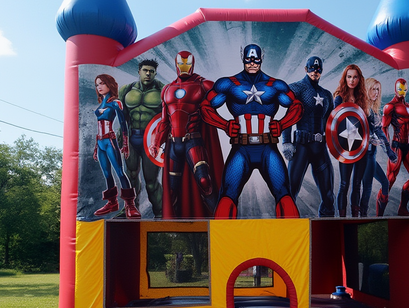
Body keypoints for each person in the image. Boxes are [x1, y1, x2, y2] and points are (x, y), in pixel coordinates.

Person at [200, 44, 303, 218]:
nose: (253, 63)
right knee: (227, 197)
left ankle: (290, 243)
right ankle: (223, 244)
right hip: (241, 149)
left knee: (285, 195)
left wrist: (283, 123)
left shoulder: (275, 85)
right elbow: (205, 107)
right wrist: (224, 124)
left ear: (262, 58)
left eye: (256, 59)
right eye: (249, 59)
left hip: (268, 149)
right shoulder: (229, 84)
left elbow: (297, 107)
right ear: (243, 57)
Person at [149, 51, 223, 218]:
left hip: (193, 141)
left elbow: (220, 100)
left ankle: (220, 219)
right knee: (173, 189)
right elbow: (164, 121)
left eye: (187, 64)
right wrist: (155, 143)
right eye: (181, 64)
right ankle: (175, 230)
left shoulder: (204, 85)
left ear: (192, 65)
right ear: (176, 65)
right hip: (173, 145)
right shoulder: (167, 89)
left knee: (205, 181)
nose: (184, 68)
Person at [281, 56, 335, 217]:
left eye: (318, 69)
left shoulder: (326, 95)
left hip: (320, 147)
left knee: (329, 197)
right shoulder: (297, 89)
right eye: (312, 68)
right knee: (290, 193)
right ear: (306, 69)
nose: (315, 72)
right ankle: (285, 232)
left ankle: (325, 234)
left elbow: (331, 122)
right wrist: (286, 142)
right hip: (301, 146)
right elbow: (288, 116)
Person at [119, 59, 164, 217]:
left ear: (155, 73)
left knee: (151, 182)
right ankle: (130, 211)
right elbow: (122, 115)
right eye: (145, 70)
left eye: (151, 71)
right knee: (131, 176)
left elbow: (170, 115)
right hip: (132, 138)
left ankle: (160, 214)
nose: (148, 74)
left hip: (151, 140)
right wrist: (121, 134)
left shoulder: (163, 90)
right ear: (139, 71)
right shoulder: (127, 90)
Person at [92, 74, 140, 219]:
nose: (99, 87)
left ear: (109, 84)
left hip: (110, 141)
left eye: (102, 83)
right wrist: (96, 147)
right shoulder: (101, 104)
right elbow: (98, 127)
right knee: (107, 174)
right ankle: (112, 202)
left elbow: (123, 124)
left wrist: (125, 143)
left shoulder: (116, 103)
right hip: (100, 142)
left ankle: (130, 205)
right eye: (97, 84)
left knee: (119, 172)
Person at [376, 78, 409, 216]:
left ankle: (403, 209)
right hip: (396, 145)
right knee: (390, 180)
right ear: (396, 89)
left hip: (407, 146)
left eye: (404, 89)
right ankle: (378, 216)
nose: (402, 92)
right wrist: (388, 148)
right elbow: (384, 128)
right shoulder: (390, 106)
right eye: (400, 89)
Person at [332, 64, 369, 217]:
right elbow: (334, 123)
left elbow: (366, 124)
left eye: (355, 77)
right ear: (345, 78)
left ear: (359, 79)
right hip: (345, 148)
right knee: (344, 184)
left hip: (361, 147)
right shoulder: (339, 98)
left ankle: (355, 217)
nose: (352, 80)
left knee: (357, 184)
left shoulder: (362, 99)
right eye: (349, 76)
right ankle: (341, 218)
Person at [359, 78, 397, 217]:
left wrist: (389, 152)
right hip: (362, 155)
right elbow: (354, 130)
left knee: (385, 184)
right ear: (367, 89)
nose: (376, 92)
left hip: (371, 155)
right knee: (367, 186)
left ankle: (379, 217)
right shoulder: (360, 108)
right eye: (373, 89)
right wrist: (369, 139)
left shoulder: (374, 111)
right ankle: (362, 215)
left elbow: (379, 132)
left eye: (378, 90)